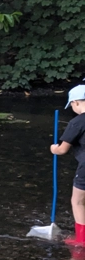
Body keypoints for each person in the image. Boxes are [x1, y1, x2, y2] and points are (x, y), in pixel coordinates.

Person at [51, 84, 85, 248]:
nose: (72, 108)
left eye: (71, 105)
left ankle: (81, 240)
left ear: (77, 102)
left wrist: (53, 149)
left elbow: (62, 149)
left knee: (78, 201)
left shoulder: (77, 122)